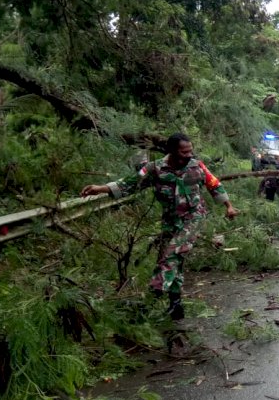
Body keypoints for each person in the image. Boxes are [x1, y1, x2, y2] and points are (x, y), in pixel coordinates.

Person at [81, 133, 239, 320]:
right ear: (171, 151)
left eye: (190, 151)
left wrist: (228, 206)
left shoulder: (197, 166)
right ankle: (175, 305)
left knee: (171, 255)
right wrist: (101, 188)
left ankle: (152, 298)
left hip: (194, 217)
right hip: (170, 220)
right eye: (184, 152)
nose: (189, 155)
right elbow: (130, 183)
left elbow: (214, 184)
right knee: (173, 261)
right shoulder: (155, 169)